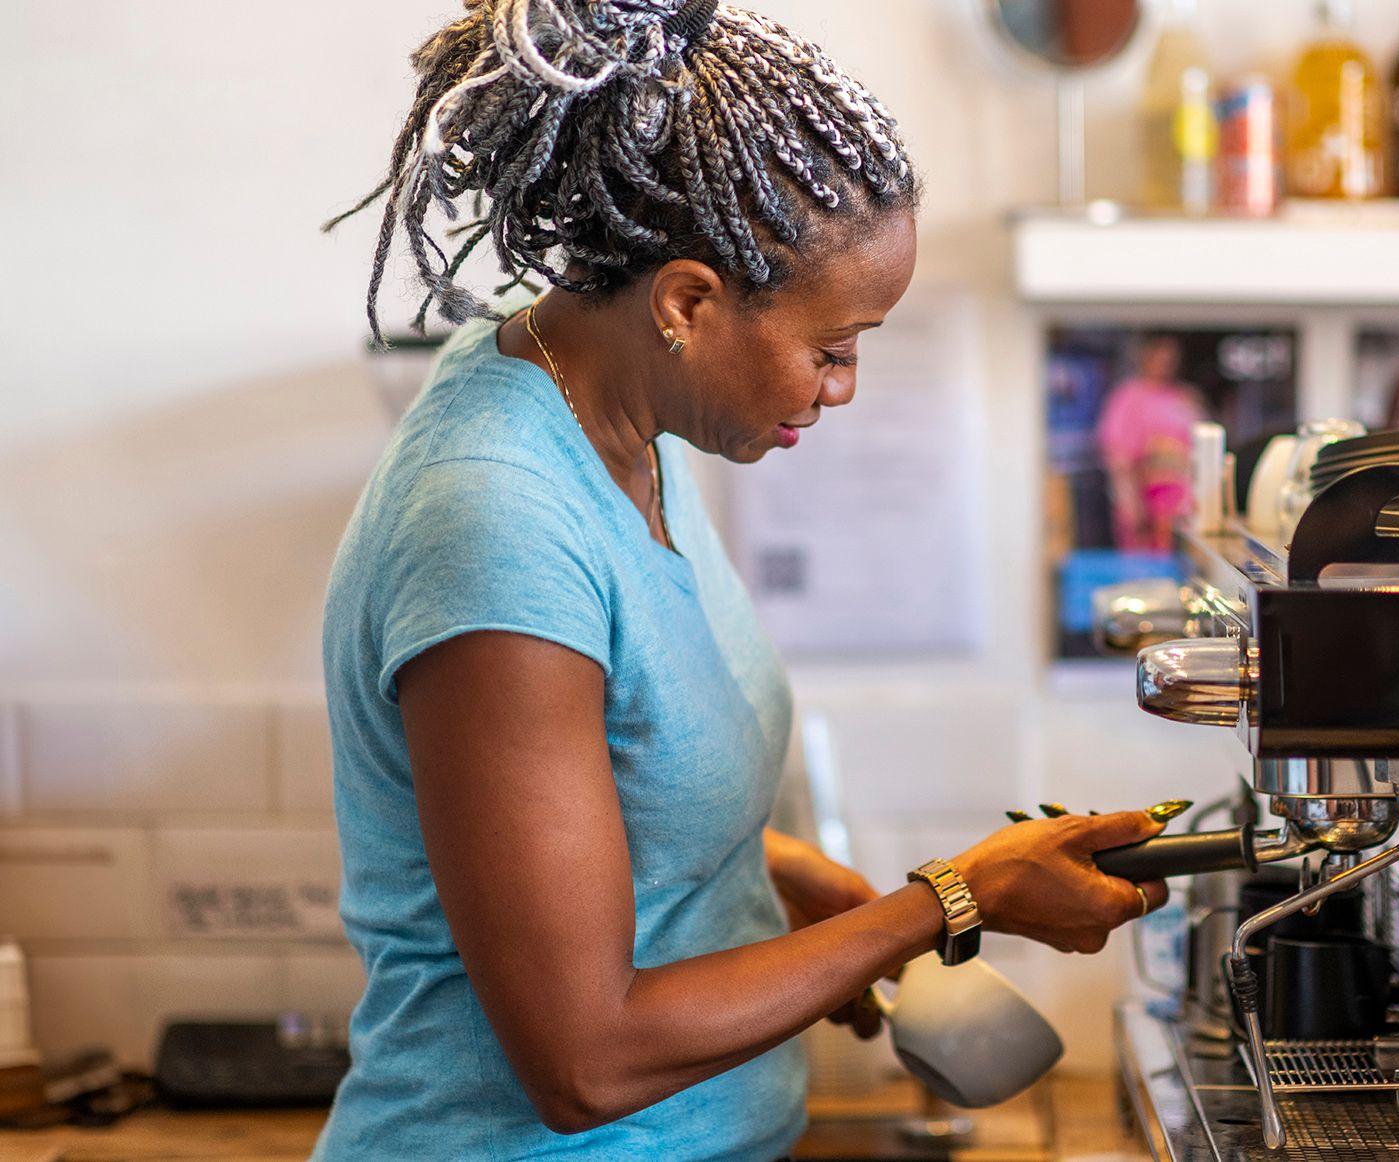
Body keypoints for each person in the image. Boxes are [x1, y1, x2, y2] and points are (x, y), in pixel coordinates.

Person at [316, 2, 1174, 1159]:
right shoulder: (497, 517)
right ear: (685, 304)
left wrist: (773, 873)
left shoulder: (620, 421)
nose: (844, 387)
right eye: (832, 348)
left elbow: (580, 799)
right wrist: (951, 898)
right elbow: (584, 1058)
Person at [1097, 335, 1209, 553]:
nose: (1165, 363)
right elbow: (1118, 457)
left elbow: (1202, 447)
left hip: (1182, 506)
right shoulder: (1128, 397)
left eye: (1171, 358)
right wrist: (1131, 504)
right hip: (1145, 501)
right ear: (1146, 357)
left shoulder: (1185, 397)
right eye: (1159, 356)